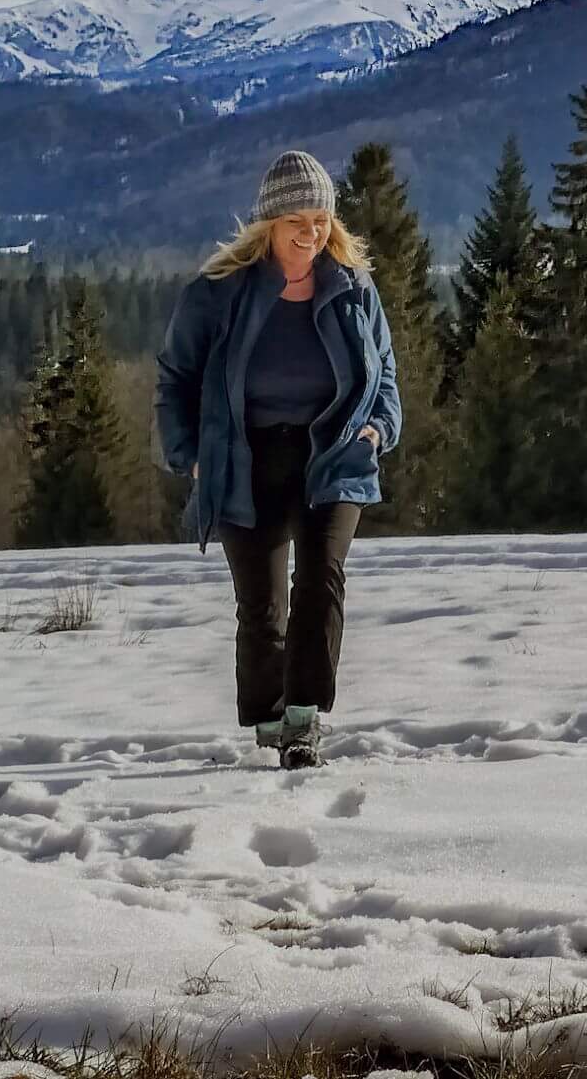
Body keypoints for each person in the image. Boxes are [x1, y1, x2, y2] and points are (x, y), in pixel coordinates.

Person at [154, 150, 401, 769]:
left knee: (321, 579)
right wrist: (191, 458)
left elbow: (385, 373)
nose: (311, 233)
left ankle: (302, 723)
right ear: (268, 223)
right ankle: (269, 723)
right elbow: (175, 379)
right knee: (262, 606)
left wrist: (377, 430)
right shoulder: (218, 293)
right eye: (297, 220)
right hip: (245, 458)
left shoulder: (353, 287)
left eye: (321, 219)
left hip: (333, 453)